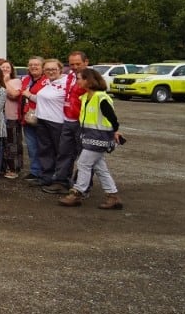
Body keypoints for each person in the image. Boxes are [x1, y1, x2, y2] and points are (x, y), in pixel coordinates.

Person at [60, 68, 125, 209]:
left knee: (83, 163)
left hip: (99, 137)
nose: (77, 81)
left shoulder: (100, 97)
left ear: (88, 80)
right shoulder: (86, 97)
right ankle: (112, 196)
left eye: (79, 78)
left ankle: (77, 193)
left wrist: (116, 131)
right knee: (100, 167)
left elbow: (112, 117)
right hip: (90, 136)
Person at [25, 59, 67, 190]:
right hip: (42, 120)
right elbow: (41, 98)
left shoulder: (66, 82)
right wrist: (29, 95)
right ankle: (46, 177)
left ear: (60, 69)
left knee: (60, 152)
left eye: (53, 69)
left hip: (57, 122)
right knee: (45, 151)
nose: (50, 72)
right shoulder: (47, 82)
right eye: (47, 69)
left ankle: (61, 180)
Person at [51, 51, 89, 193]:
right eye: (72, 64)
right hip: (67, 120)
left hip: (82, 122)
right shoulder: (70, 76)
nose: (74, 66)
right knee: (64, 152)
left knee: (84, 156)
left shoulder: (90, 79)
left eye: (78, 64)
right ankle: (61, 181)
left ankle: (82, 186)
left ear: (86, 62)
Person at [0, 60, 25, 178]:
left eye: (7, 67)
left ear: (11, 70)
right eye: (2, 67)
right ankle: (3, 167)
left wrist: (5, 82)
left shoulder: (16, 81)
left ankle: (14, 168)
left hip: (11, 116)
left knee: (12, 143)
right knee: (2, 144)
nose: (4, 69)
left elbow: (14, 95)